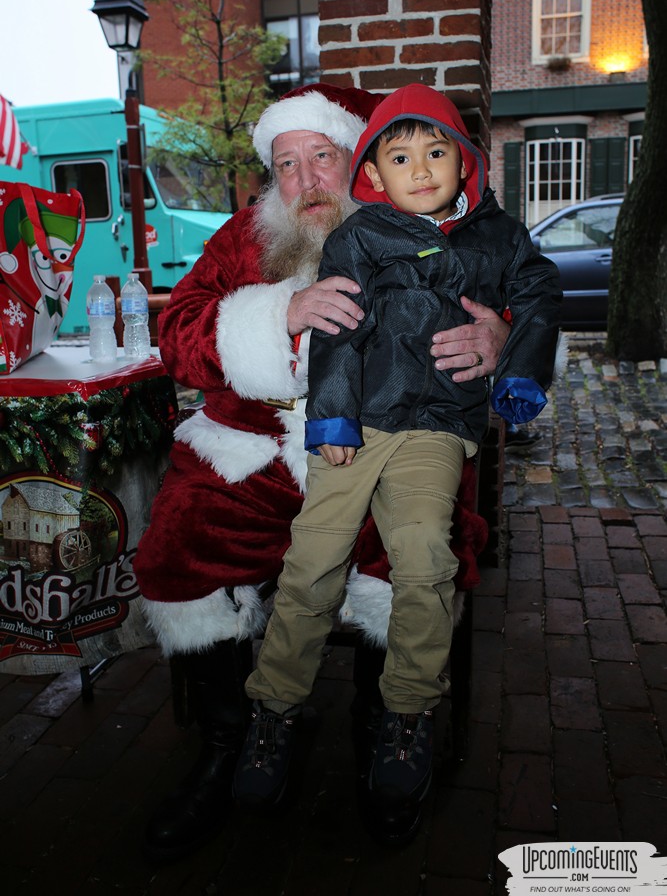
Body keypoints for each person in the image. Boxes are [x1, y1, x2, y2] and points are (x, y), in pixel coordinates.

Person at [132, 83, 511, 861]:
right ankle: (231, 740)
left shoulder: (435, 223)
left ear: (359, 159)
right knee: (178, 539)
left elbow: (519, 302)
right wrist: (274, 316)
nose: (304, 181)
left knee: (410, 553)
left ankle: (384, 734)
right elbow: (175, 330)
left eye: (321, 157)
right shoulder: (245, 237)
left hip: (394, 447)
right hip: (255, 452)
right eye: (285, 165)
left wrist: (500, 342)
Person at [234, 84, 562, 819]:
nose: (421, 169)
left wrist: (517, 367)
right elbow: (339, 330)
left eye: (436, 152)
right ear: (374, 176)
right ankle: (274, 709)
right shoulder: (362, 237)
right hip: (358, 425)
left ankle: (407, 713)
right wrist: (332, 421)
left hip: (437, 427)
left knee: (423, 554)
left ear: (465, 163)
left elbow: (539, 296)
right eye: (401, 156)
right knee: (312, 558)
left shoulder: (498, 237)